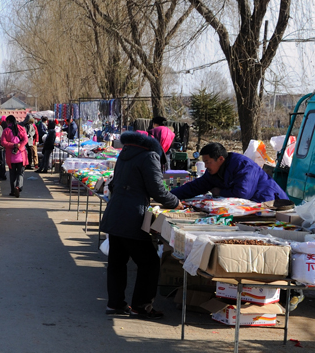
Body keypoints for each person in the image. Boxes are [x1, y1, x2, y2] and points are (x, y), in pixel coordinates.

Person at [101, 131, 179, 318]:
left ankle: (115, 304)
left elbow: (115, 184)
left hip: (116, 212)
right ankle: (142, 306)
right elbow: (157, 189)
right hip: (132, 216)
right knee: (149, 262)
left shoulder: (126, 153)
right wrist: (176, 202)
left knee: (117, 262)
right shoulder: (149, 156)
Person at [171, 141, 289, 203]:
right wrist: (169, 196)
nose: (206, 166)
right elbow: (195, 186)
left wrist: (220, 191)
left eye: (208, 162)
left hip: (271, 203)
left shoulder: (242, 165)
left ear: (220, 159)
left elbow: (243, 193)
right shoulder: (213, 171)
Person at [2, 116, 29, 197]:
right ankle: (18, 186)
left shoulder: (6, 131)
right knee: (20, 173)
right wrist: (19, 147)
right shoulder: (21, 129)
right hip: (21, 156)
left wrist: (13, 145)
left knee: (12, 174)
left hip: (11, 157)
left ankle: (13, 191)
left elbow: (3, 142)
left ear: (8, 121)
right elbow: (25, 140)